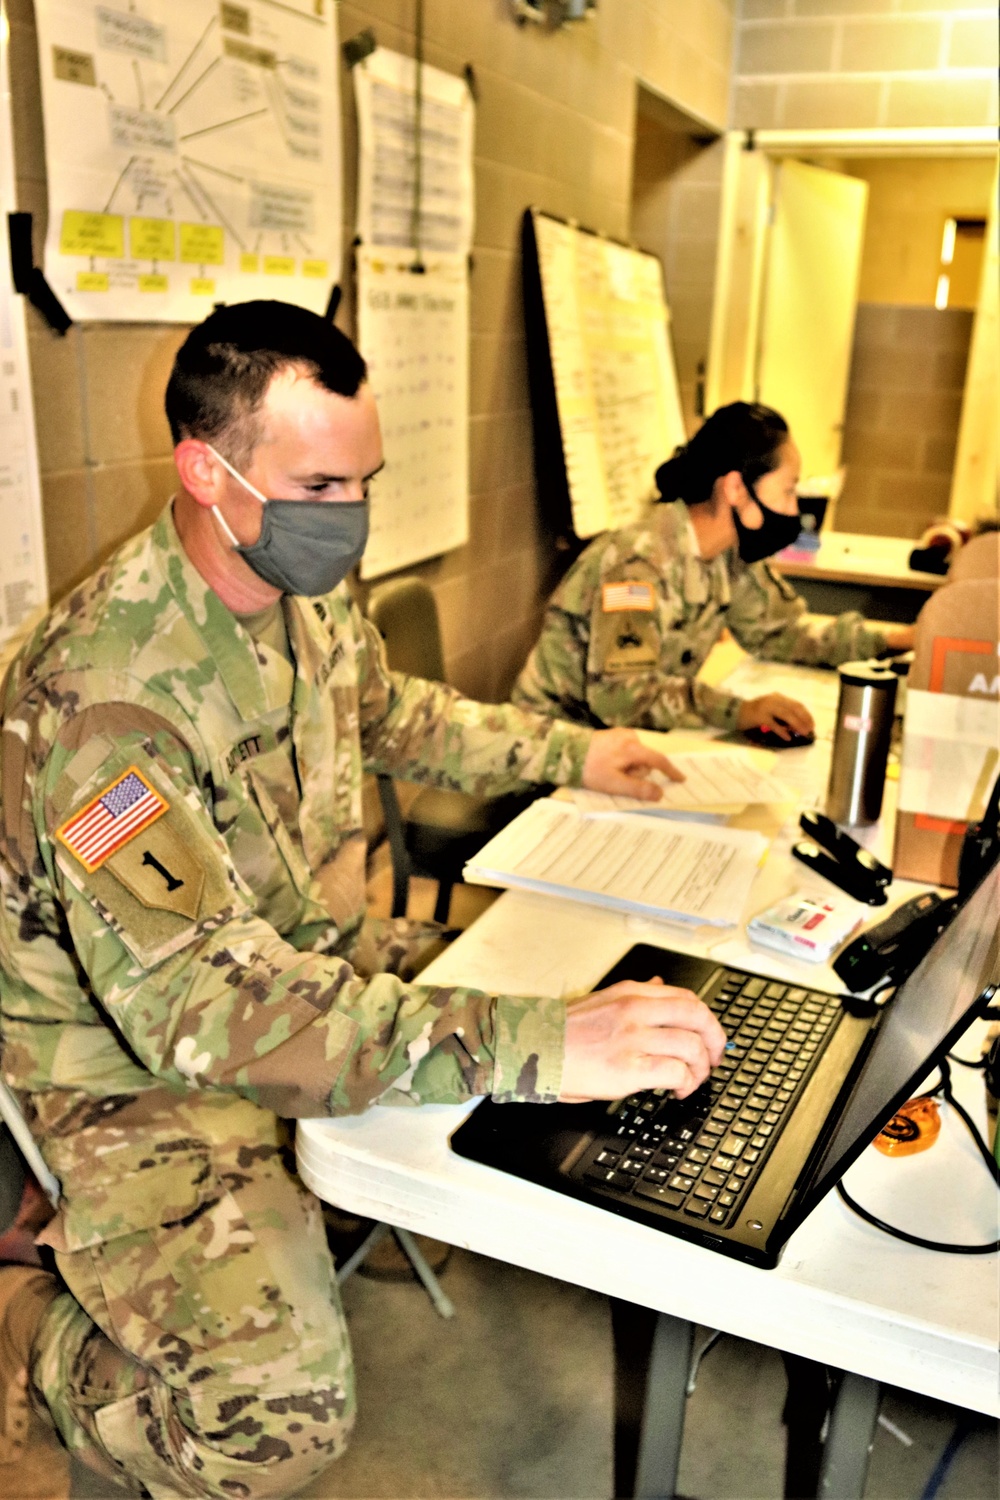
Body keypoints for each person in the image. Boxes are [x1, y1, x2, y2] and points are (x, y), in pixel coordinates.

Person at [0, 301, 726, 1499]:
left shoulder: (298, 586)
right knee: (274, 1428)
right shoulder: (101, 703)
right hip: (134, 1067)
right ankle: (32, 1324)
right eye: (322, 484)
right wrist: (535, 1042)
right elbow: (204, 1014)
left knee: (626, 989)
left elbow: (397, 717)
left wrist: (571, 754)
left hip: (299, 957)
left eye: (363, 482)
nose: (350, 517)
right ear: (206, 469)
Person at [513, 402, 914, 739]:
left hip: (620, 745)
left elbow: (779, 633)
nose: (794, 511)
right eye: (789, 491)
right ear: (736, 489)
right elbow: (624, 699)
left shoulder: (727, 554)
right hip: (554, 752)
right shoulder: (636, 565)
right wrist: (739, 712)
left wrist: (894, 639)